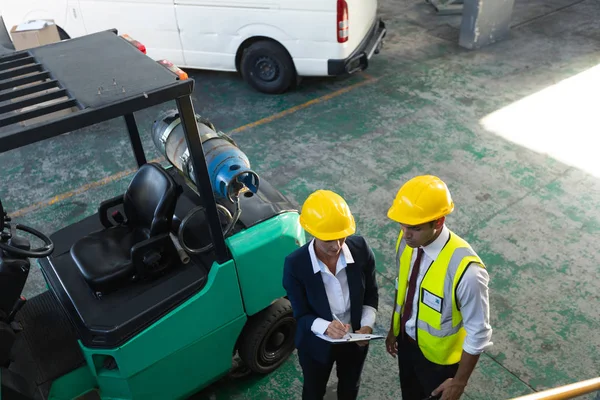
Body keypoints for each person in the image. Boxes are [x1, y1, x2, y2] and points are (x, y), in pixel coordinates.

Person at [385, 175, 492, 400]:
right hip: (407, 345)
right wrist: (395, 330)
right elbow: (402, 287)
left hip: (439, 365)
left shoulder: (467, 272)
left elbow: (479, 333)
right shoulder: (407, 240)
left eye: (414, 228)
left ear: (439, 222)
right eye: (402, 225)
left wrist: (459, 382)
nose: (406, 234)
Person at [283, 189, 379, 400]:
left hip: (355, 340)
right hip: (316, 345)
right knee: (313, 391)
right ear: (312, 232)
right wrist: (326, 327)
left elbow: (371, 293)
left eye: (341, 237)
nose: (336, 246)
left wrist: (367, 325)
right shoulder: (295, 265)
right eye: (328, 239)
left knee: (350, 387)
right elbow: (301, 314)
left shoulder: (361, 248)